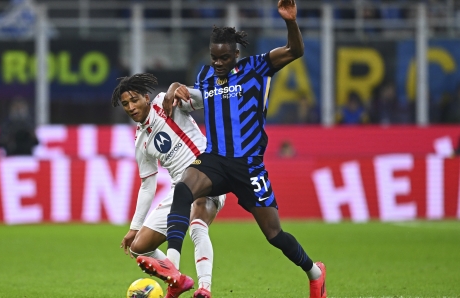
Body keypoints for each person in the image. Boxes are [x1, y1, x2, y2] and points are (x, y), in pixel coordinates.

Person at [136, 1, 327, 298]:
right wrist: (175, 86)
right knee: (184, 190)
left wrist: (290, 21)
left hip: (249, 165)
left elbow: (295, 51)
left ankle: (315, 272)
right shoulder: (206, 76)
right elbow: (196, 97)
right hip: (216, 159)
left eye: (225, 57)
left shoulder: (256, 67)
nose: (219, 63)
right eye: (215, 57)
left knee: (274, 234)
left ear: (236, 54)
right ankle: (173, 264)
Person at [111, 73, 226, 298]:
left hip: (208, 174)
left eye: (134, 100)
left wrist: (182, 88)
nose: (131, 107)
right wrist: (134, 227)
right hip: (180, 190)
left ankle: (205, 288)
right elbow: (147, 185)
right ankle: (179, 279)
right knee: (138, 247)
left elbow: (207, 99)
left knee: (197, 223)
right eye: (125, 104)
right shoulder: (141, 141)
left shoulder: (166, 102)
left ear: (146, 97)